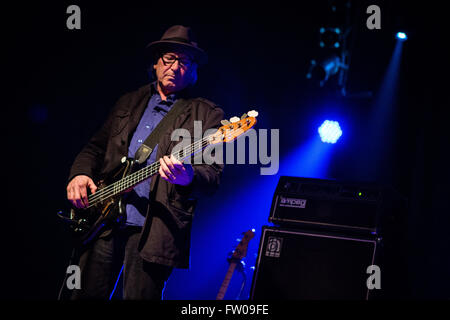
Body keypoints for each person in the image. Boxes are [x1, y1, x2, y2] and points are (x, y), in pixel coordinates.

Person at [66, 25, 225, 299]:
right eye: (169, 58)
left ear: (194, 69)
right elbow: (94, 147)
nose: (175, 67)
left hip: (154, 230)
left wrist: (188, 177)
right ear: (155, 63)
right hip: (104, 221)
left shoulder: (207, 114)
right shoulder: (128, 102)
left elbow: (212, 177)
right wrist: (79, 174)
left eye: (184, 61)